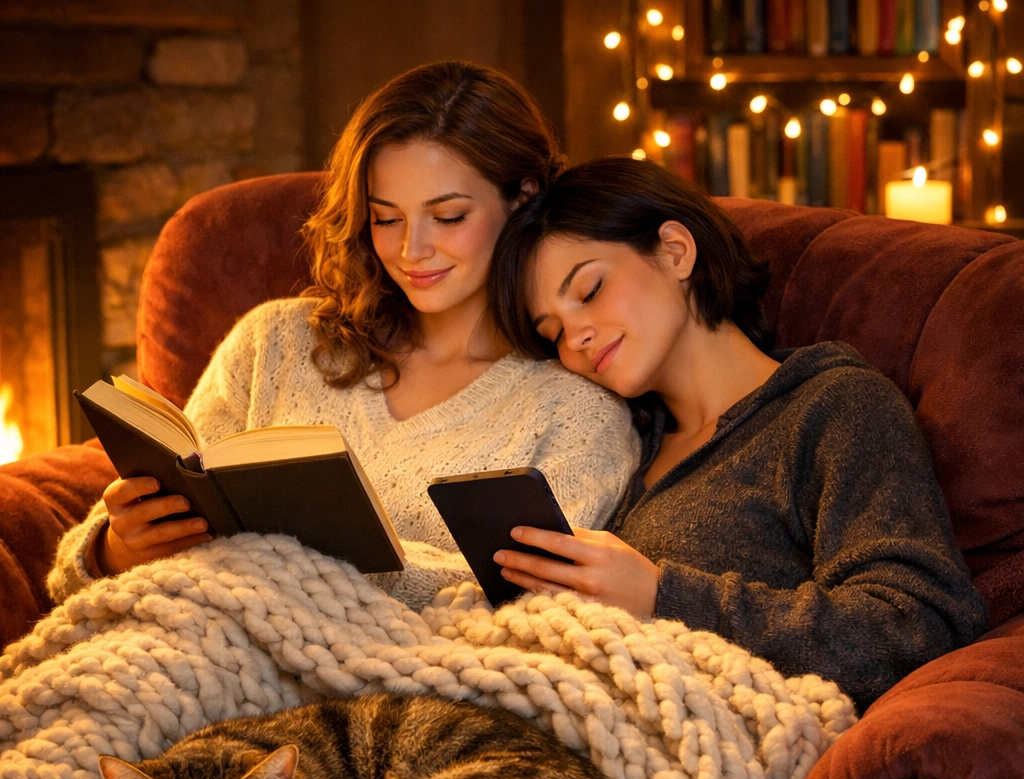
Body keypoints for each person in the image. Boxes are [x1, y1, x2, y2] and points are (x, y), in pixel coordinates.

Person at [46, 64, 638, 611]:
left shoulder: (576, 410)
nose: (412, 250)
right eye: (386, 217)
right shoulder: (271, 344)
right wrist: (116, 551)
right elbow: (81, 573)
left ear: (523, 199)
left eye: (449, 216)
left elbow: (523, 606)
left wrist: (278, 565)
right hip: (185, 633)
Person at [488, 156, 988, 710]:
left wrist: (663, 596)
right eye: (553, 331)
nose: (575, 336)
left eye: (589, 291)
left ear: (675, 251)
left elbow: (917, 625)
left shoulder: (833, 407)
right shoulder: (626, 444)